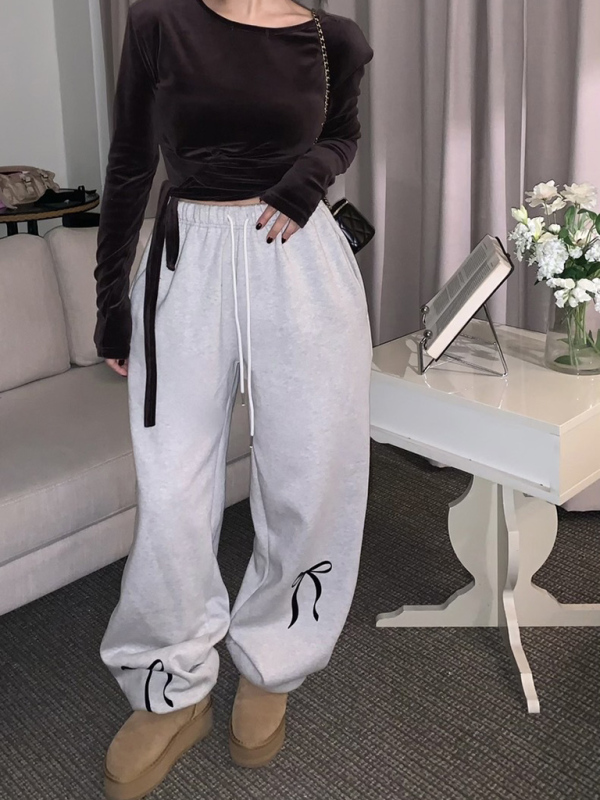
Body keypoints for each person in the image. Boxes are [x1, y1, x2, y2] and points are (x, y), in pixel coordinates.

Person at [93, 0, 374, 797]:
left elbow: (341, 134)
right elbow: (129, 162)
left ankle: (272, 658)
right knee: (172, 490)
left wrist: (308, 178)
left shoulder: (335, 39)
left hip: (301, 258)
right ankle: (170, 683)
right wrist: (111, 300)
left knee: (308, 478)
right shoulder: (157, 24)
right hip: (188, 262)